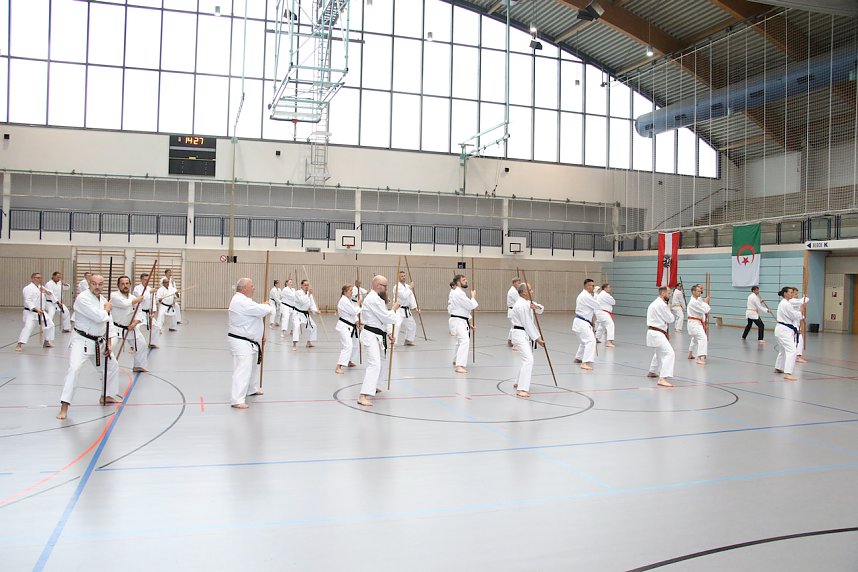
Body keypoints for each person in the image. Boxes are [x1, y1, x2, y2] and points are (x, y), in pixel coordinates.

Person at [57, 274, 121, 419]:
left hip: (98, 342)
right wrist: (107, 309)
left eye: (100, 284)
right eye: (94, 283)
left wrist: (109, 343)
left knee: (112, 366)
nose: (97, 286)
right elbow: (98, 317)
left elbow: (109, 323)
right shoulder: (82, 298)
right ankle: (64, 406)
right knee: (74, 370)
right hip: (81, 341)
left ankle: (106, 395)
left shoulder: (103, 300)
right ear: (89, 283)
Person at [227, 277, 273, 408]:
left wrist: (261, 334)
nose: (254, 288)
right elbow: (261, 310)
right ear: (244, 288)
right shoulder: (240, 301)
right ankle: (237, 400)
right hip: (241, 342)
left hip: (250, 341)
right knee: (242, 369)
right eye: (252, 286)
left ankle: (251, 389)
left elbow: (255, 312)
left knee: (253, 367)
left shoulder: (245, 301)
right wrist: (266, 306)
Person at [357, 275, 400, 407]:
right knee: (374, 364)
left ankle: (374, 386)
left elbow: (382, 320)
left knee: (382, 361)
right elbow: (386, 317)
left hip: (379, 335)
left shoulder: (379, 299)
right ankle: (362, 395)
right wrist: (394, 309)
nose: (386, 289)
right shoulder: (373, 299)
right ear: (377, 285)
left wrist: (390, 333)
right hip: (371, 335)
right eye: (384, 286)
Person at [509, 282, 544, 398]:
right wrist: (537, 338)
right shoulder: (521, 305)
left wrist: (536, 307)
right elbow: (527, 323)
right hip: (520, 334)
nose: (532, 291)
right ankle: (522, 389)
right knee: (528, 359)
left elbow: (540, 308)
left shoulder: (526, 303)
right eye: (530, 289)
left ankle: (518, 381)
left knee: (525, 359)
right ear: (524, 292)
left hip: (523, 334)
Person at [110, 276, 148, 372]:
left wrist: (135, 322)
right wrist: (137, 300)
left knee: (142, 344)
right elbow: (124, 304)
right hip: (116, 328)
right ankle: (107, 369)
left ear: (130, 285)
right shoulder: (114, 296)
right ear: (118, 285)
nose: (125, 286)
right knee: (111, 347)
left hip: (130, 328)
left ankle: (138, 366)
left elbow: (139, 311)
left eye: (127, 283)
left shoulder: (133, 298)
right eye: (122, 284)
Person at [16, 272, 55, 351]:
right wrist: (35, 308)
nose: (39, 279)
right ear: (32, 278)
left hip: (41, 311)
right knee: (28, 327)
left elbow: (50, 293)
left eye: (40, 278)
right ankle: (19, 343)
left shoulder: (40, 287)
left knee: (50, 325)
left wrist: (46, 291)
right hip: (31, 312)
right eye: (37, 277)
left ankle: (46, 341)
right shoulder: (28, 288)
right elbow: (28, 300)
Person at [448, 274, 478, 374]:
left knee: (460, 341)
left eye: (466, 279)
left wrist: (469, 324)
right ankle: (459, 365)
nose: (466, 281)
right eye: (464, 280)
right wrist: (473, 297)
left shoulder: (460, 293)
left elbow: (464, 309)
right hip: (458, 321)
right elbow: (470, 305)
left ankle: (456, 359)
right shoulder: (458, 293)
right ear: (458, 282)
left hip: (461, 320)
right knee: (464, 341)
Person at [646, 286, 676, 388]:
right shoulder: (662, 305)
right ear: (663, 293)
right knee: (670, 353)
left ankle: (652, 371)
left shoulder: (654, 303)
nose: (670, 295)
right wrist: (669, 308)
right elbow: (670, 319)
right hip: (657, 333)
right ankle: (662, 378)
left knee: (659, 352)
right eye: (669, 293)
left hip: (654, 332)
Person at [774, 286, 804, 381]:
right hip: (784, 331)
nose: (792, 294)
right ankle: (787, 373)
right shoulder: (786, 304)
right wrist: (801, 311)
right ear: (785, 294)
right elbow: (794, 316)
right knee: (792, 351)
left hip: (781, 329)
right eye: (790, 292)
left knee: (782, 350)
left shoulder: (785, 303)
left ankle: (778, 367)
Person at [572, 279, 601, 371]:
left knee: (583, 342)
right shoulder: (586, 296)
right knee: (591, 341)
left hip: (581, 321)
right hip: (582, 323)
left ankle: (578, 358)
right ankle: (585, 363)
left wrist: (592, 321)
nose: (593, 287)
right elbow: (597, 305)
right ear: (587, 286)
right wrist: (596, 294)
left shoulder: (585, 295)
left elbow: (589, 310)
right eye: (592, 286)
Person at [335, 284, 360, 374]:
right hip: (344, 326)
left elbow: (352, 314)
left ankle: (349, 360)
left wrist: (357, 321)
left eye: (352, 290)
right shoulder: (344, 301)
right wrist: (358, 305)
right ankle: (338, 366)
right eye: (350, 290)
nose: (352, 292)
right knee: (348, 345)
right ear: (345, 292)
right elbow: (354, 311)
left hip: (351, 326)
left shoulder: (349, 300)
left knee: (355, 344)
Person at [133, 273, 160, 348]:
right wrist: (149, 292)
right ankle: (133, 345)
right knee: (137, 327)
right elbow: (140, 298)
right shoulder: (137, 289)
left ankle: (152, 343)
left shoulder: (149, 288)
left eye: (148, 280)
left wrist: (153, 312)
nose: (146, 281)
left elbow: (153, 301)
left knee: (156, 327)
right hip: (139, 312)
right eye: (145, 280)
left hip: (148, 313)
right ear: (141, 280)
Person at [392, 270, 419, 346]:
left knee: (412, 325)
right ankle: (393, 343)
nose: (403, 277)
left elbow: (411, 298)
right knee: (397, 325)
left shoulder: (407, 286)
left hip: (406, 310)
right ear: (398, 277)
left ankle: (408, 340)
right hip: (398, 309)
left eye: (404, 276)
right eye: (402, 276)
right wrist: (410, 288)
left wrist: (416, 308)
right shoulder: (396, 287)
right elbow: (404, 296)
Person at [686, 284, 711, 365]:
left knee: (694, 339)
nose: (700, 293)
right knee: (703, 338)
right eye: (698, 291)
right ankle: (699, 358)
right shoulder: (693, 302)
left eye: (701, 291)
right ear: (693, 292)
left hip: (695, 323)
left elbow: (701, 302)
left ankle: (690, 354)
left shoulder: (697, 300)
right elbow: (705, 309)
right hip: (694, 323)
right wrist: (706, 302)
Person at [291, 279, 319, 351]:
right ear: (301, 286)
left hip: (305, 314)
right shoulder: (297, 293)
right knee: (296, 326)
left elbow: (312, 303)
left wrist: (315, 311)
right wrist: (308, 295)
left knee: (313, 326)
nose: (306, 286)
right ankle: (294, 344)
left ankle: (309, 342)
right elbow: (302, 302)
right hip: (297, 313)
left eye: (307, 285)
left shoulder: (309, 294)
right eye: (305, 285)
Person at [789, 289, 810, 363]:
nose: (797, 295)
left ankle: (795, 355)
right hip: (792, 325)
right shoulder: (791, 301)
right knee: (799, 339)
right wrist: (805, 297)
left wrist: (803, 318)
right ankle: (798, 356)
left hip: (796, 324)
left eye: (797, 294)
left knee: (796, 340)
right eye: (795, 294)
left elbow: (799, 311)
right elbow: (803, 301)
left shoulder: (795, 302)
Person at [594, 283, 616, 348]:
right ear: (605, 288)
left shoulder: (601, 294)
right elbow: (613, 302)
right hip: (603, 313)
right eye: (609, 287)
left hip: (601, 312)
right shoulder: (605, 295)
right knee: (610, 324)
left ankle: (596, 338)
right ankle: (609, 342)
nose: (610, 289)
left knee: (602, 326)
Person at [506, 277, 521, 348]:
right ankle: (512, 341)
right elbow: (519, 301)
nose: (519, 284)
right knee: (514, 327)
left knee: (513, 326)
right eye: (518, 283)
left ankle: (510, 341)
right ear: (514, 283)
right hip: (512, 311)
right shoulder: (513, 291)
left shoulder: (514, 290)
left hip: (512, 311)